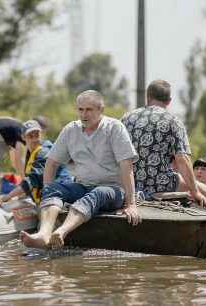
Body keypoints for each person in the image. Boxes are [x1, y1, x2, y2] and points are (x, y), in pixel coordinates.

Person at [20, 90, 141, 249]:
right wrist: (45, 197)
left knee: (98, 193)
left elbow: (127, 166)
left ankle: (61, 232)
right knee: (53, 189)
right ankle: (44, 234)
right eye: (81, 109)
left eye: (89, 110)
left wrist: (131, 204)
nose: (84, 114)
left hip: (113, 189)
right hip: (83, 185)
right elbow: (51, 163)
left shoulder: (114, 128)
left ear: (100, 110)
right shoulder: (71, 129)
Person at [121, 79, 206, 209]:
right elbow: (182, 159)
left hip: (129, 183)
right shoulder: (173, 121)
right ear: (169, 101)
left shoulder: (127, 118)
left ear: (147, 97)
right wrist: (195, 192)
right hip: (162, 184)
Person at [0, 119, 72, 206]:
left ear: (41, 135)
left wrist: (7, 197)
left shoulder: (43, 152)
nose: (34, 139)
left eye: (37, 135)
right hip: (54, 193)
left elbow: (31, 181)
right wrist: (17, 197)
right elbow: (33, 185)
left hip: (60, 195)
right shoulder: (32, 152)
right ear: (23, 137)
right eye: (30, 136)